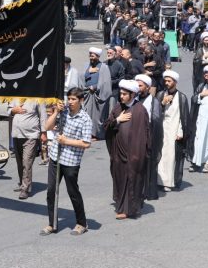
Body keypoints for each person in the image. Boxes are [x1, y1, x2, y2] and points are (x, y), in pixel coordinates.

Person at [41, 88, 92, 236]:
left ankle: (82, 223)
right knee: (51, 191)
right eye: (69, 98)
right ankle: (52, 223)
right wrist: (56, 112)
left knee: (72, 192)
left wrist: (66, 141)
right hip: (55, 157)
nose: (70, 102)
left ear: (81, 101)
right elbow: (47, 127)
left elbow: (86, 143)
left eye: (73, 99)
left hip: (71, 160)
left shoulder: (85, 119)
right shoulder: (63, 113)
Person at [104, 80, 150, 219]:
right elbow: (107, 126)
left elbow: (144, 135)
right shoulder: (118, 108)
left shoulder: (140, 110)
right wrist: (118, 120)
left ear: (133, 94)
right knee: (119, 178)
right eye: (121, 93)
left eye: (124, 94)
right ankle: (121, 205)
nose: (121, 96)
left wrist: (138, 154)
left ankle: (128, 209)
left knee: (132, 180)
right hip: (118, 153)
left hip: (133, 154)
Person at [156, 70, 189, 190]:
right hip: (161, 128)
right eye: (165, 81)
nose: (167, 83)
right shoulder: (160, 94)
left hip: (174, 129)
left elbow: (184, 117)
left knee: (170, 156)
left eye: (169, 81)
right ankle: (158, 181)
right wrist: (162, 103)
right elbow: (154, 112)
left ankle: (168, 182)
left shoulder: (182, 97)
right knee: (160, 155)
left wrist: (181, 131)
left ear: (175, 82)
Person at [8, 100, 47, 199]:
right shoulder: (16, 95)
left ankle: (25, 189)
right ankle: (22, 183)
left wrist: (44, 132)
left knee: (26, 162)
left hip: (31, 135)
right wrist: (13, 110)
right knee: (20, 162)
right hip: (17, 134)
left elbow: (43, 115)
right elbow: (9, 110)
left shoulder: (38, 97)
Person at [135, 74, 161, 200]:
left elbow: (156, 120)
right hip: (134, 137)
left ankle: (147, 191)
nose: (138, 88)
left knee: (148, 164)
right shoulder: (133, 99)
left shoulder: (154, 102)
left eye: (140, 86)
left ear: (147, 87)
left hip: (147, 137)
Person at [83, 47, 112, 140]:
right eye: (90, 56)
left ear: (98, 57)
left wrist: (95, 87)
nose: (91, 58)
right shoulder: (87, 66)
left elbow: (106, 83)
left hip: (98, 95)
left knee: (97, 117)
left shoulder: (104, 67)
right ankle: (88, 133)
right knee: (86, 114)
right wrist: (89, 72)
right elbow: (82, 78)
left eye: (93, 56)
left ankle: (97, 135)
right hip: (87, 94)